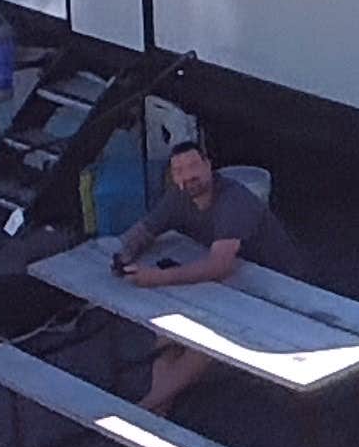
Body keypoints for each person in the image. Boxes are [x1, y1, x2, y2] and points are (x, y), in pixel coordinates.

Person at [108, 143, 300, 414]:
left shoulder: (234, 201)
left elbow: (219, 265)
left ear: (208, 165)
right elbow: (145, 229)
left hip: (276, 290)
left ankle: (146, 408)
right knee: (168, 329)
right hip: (231, 285)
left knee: (203, 339)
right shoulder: (178, 196)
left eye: (193, 166)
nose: (188, 175)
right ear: (174, 176)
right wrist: (126, 253)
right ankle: (158, 406)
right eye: (180, 170)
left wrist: (156, 278)